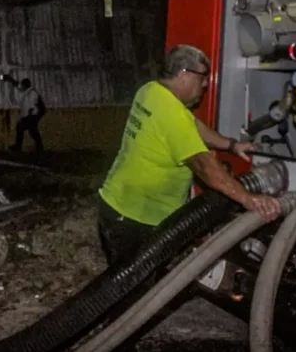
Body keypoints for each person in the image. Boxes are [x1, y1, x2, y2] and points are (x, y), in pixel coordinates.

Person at [96, 44, 281, 350]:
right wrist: (251, 200)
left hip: (118, 206)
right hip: (132, 219)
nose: (206, 84)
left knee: (128, 290)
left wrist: (231, 145)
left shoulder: (152, 92)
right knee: (131, 301)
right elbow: (206, 168)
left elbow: (192, 126)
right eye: (202, 78)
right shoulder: (171, 113)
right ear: (183, 74)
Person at [4, 77, 45, 153]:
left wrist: (28, 118)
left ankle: (38, 146)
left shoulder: (32, 93)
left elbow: (32, 107)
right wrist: (10, 80)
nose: (21, 87)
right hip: (29, 115)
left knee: (31, 129)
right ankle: (19, 146)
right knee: (22, 128)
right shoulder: (26, 91)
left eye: (22, 85)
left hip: (33, 114)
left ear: (26, 85)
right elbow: (17, 86)